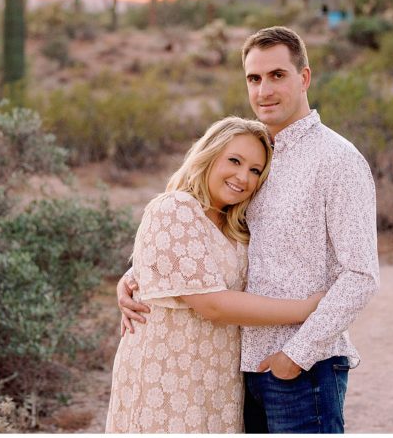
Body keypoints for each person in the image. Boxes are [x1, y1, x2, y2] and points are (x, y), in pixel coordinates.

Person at [118, 26, 379, 434]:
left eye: (277, 75)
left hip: (301, 371)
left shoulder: (337, 160)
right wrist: (138, 277)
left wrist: (296, 355)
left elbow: (361, 275)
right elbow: (214, 238)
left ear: (304, 78)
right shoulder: (252, 158)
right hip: (239, 371)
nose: (264, 91)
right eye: (254, 79)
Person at [105, 116, 325, 433]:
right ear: (209, 155)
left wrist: (132, 274)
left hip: (217, 377)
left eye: (255, 170)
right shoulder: (175, 207)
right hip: (168, 373)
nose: (243, 177)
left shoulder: (238, 224)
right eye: (234, 161)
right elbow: (213, 304)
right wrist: (303, 310)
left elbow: (190, 265)